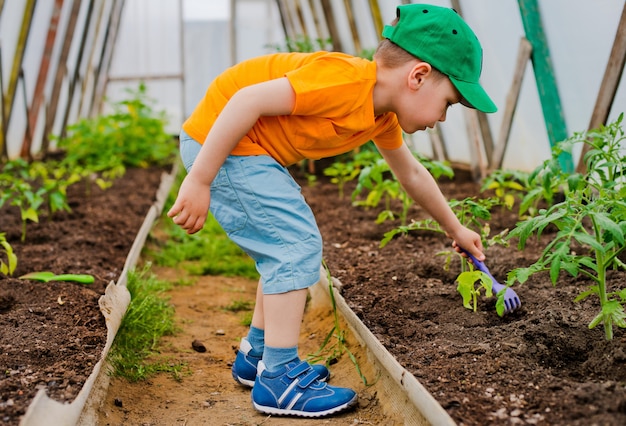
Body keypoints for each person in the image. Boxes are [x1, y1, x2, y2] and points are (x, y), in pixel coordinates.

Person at [168, 3, 496, 418]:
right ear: (418, 76)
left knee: (282, 245)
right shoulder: (344, 81)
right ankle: (279, 378)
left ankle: (257, 354)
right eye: (448, 103)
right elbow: (245, 99)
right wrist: (199, 179)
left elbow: (411, 173)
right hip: (224, 143)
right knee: (293, 244)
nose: (443, 117)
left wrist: (456, 228)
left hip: (246, 150)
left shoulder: (379, 115)